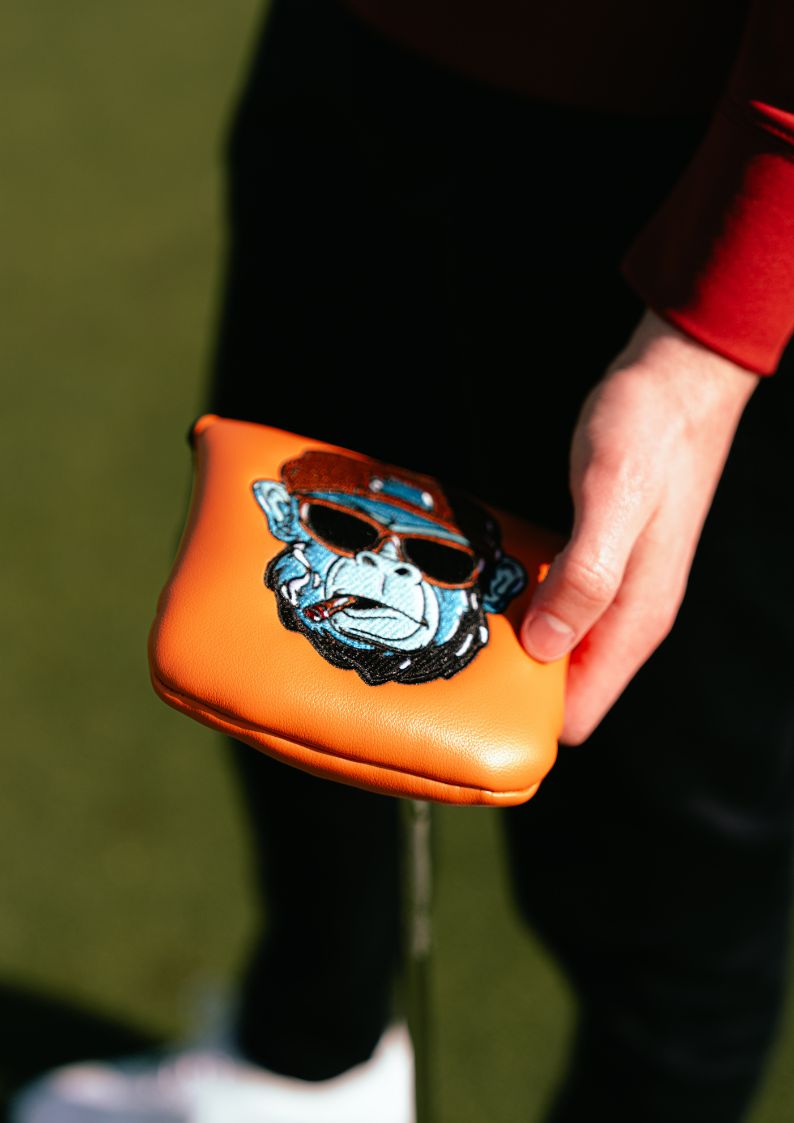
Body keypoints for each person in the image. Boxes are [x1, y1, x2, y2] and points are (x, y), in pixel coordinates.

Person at [13, 0, 794, 1120]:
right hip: (355, 54)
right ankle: (306, 1057)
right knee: (273, 653)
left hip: (693, 162)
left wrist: (711, 337)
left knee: (665, 837)